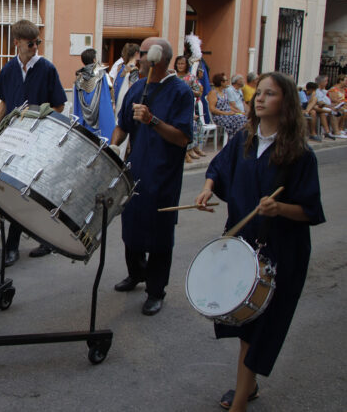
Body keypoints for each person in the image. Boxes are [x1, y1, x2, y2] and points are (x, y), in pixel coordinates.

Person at [195, 72, 325, 411]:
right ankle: (247, 388)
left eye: (270, 94)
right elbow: (218, 169)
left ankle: (240, 401)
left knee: (259, 332)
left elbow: (310, 210)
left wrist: (280, 207)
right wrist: (207, 190)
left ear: (286, 103)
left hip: (281, 251)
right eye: (259, 93)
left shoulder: (299, 154)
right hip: (243, 245)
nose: (260, 98)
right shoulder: (244, 140)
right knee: (248, 327)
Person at [109, 37, 193, 316]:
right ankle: (136, 273)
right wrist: (112, 146)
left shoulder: (181, 92)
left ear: (157, 58)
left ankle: (156, 290)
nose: (137, 59)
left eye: (142, 54)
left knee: (158, 233)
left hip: (163, 174)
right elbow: (123, 126)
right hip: (135, 170)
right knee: (131, 226)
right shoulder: (136, 88)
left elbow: (182, 138)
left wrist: (152, 121)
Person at [0, 19, 66, 265]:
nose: (35, 47)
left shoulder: (46, 68)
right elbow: (3, 103)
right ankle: (16, 244)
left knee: (34, 192)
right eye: (30, 43)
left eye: (38, 43)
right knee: (15, 190)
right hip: (12, 138)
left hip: (37, 138)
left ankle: (32, 242)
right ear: (17, 43)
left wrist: (38, 121)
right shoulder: (9, 69)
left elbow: (59, 105)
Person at [72, 48, 115, 140]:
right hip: (100, 112)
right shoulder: (102, 75)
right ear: (94, 59)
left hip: (83, 115)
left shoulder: (79, 78)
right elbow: (110, 91)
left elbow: (76, 102)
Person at [174, 55, 205, 162]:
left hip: (188, 106)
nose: (180, 66)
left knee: (199, 124)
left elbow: (198, 93)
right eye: (178, 63)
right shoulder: (173, 77)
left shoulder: (191, 77)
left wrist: (188, 91)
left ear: (186, 65)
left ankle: (194, 148)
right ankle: (187, 151)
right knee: (191, 124)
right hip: (176, 107)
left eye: (182, 63)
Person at [207, 74, 247, 140]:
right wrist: (226, 113)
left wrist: (239, 112)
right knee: (240, 119)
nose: (227, 82)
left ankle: (238, 138)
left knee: (243, 117)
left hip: (228, 115)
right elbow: (212, 109)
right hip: (219, 116)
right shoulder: (213, 93)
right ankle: (235, 139)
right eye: (226, 80)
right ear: (221, 82)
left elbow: (228, 106)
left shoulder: (224, 92)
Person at [108, 42, 140, 115]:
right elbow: (133, 90)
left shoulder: (120, 67)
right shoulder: (133, 69)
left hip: (117, 101)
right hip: (125, 103)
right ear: (136, 53)